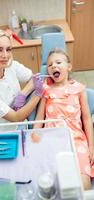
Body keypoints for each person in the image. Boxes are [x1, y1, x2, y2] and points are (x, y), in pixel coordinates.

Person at [31, 48, 94, 190]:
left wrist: (91, 146)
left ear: (69, 67)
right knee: (50, 181)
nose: (53, 66)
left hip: (76, 140)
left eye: (58, 62)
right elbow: (40, 117)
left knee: (83, 183)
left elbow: (87, 119)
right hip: (51, 139)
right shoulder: (46, 90)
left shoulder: (79, 89)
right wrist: (34, 135)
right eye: (50, 64)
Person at [0, 28, 43, 132]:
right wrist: (38, 95)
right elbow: (16, 117)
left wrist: (23, 94)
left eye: (8, 49)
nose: (5, 56)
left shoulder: (10, 65)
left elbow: (32, 78)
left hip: (18, 125)